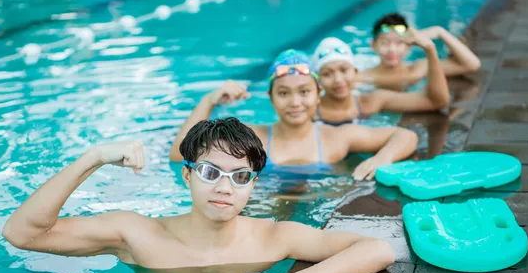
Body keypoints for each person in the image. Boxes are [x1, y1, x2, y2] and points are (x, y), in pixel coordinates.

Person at [2, 118, 395, 273]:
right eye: (210, 173)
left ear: (252, 185)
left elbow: (377, 250)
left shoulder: (273, 237)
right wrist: (93, 157)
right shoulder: (135, 234)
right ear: (187, 175)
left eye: (240, 177)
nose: (225, 188)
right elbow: (22, 233)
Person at [169, 50, 418, 181]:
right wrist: (208, 101)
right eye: (284, 93)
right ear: (271, 97)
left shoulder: (338, 136)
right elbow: (180, 153)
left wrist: (380, 159)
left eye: (304, 92)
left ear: (318, 94)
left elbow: (404, 135)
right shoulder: (252, 136)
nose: (295, 102)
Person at [313, 34, 450, 126]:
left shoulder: (371, 101)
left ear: (355, 72)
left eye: (344, 70)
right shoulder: (311, 112)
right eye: (327, 74)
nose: (338, 79)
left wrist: (430, 50)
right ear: (318, 80)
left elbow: (436, 101)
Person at [356, 12, 481, 90]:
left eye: (399, 42)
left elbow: (471, 65)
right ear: (373, 46)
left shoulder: (419, 68)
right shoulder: (362, 77)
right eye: (385, 43)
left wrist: (440, 32)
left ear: (409, 45)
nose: (392, 50)